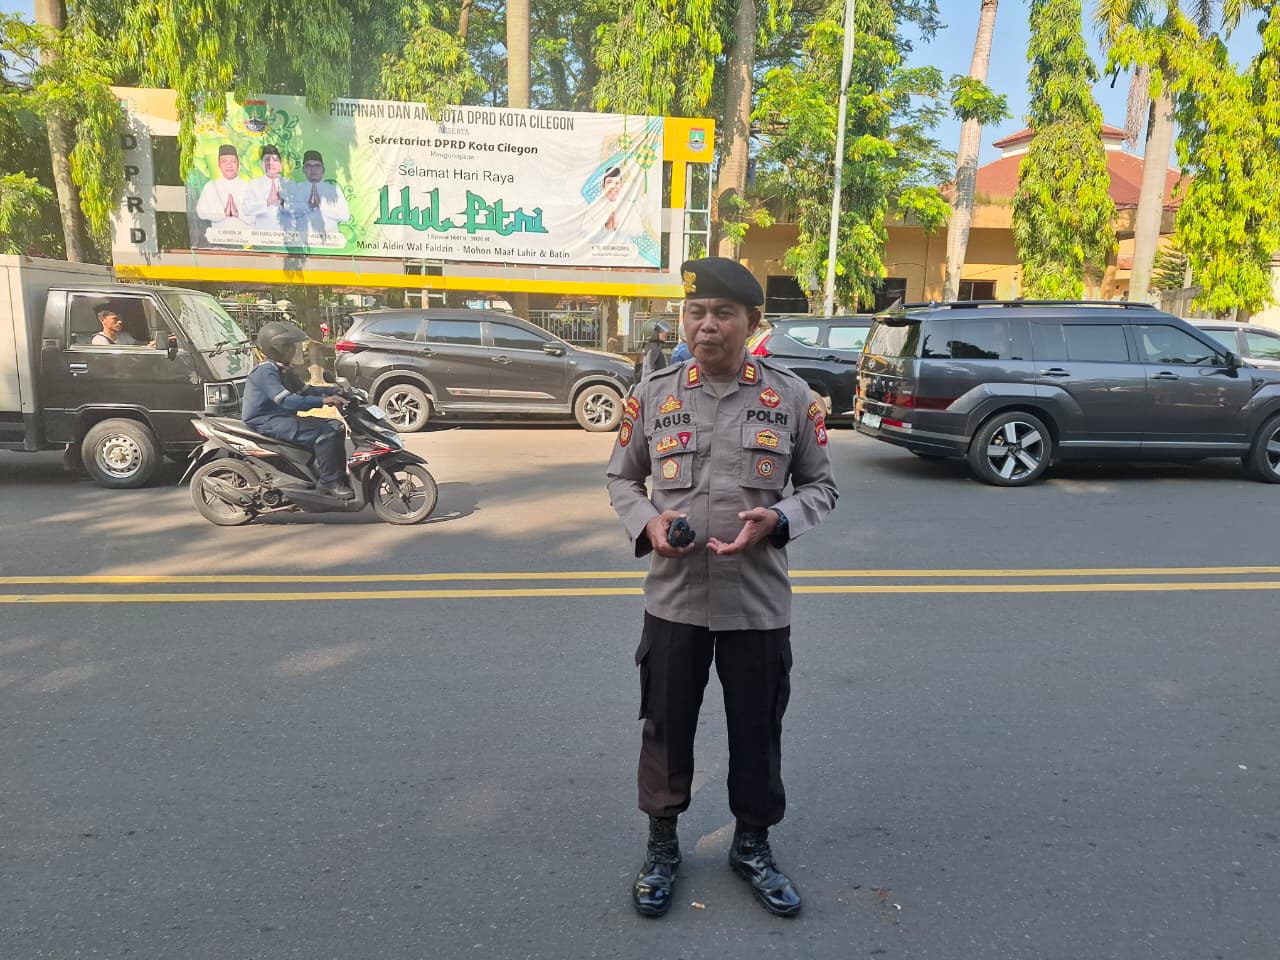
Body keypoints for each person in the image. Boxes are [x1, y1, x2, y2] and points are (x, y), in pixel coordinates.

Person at [606, 257, 839, 919]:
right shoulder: (652, 395)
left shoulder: (792, 398)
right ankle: (662, 845)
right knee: (665, 726)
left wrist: (779, 519)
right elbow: (622, 478)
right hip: (674, 600)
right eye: (696, 312)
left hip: (757, 602)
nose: (706, 326)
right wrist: (649, 524)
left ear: (752, 323)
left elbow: (821, 486)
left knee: (757, 730)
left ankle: (752, 845)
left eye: (722, 313)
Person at [241, 320, 353, 499]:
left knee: (337, 427)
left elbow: (305, 390)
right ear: (277, 349)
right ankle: (329, 482)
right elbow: (287, 401)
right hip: (266, 420)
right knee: (327, 431)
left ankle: (337, 476)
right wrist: (323, 401)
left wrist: (335, 391)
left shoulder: (284, 370)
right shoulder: (265, 372)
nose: (296, 350)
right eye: (291, 347)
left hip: (281, 417)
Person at [289, 150, 351, 243]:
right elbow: (288, 216)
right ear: (303, 169)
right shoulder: (296, 189)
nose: (313, 170)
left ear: (323, 170)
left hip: (330, 242)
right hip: (303, 242)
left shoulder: (334, 189)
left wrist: (321, 206)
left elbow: (345, 216)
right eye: (309, 166)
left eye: (317, 166)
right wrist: (306, 207)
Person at [195, 144, 249, 233]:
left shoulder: (249, 187)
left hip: (246, 239)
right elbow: (201, 212)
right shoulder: (211, 187)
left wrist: (238, 213)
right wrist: (223, 213)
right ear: (219, 164)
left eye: (233, 161)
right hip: (220, 238)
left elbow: (258, 216)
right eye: (224, 161)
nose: (229, 165)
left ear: (238, 163)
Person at [241, 144, 291, 232]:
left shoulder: (289, 184)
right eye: (267, 159)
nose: (270, 163)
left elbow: (298, 211)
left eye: (275, 159)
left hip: (285, 234)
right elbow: (246, 209)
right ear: (262, 163)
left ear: (280, 163)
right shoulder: (254, 184)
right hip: (262, 234)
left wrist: (282, 202)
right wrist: (267, 202)